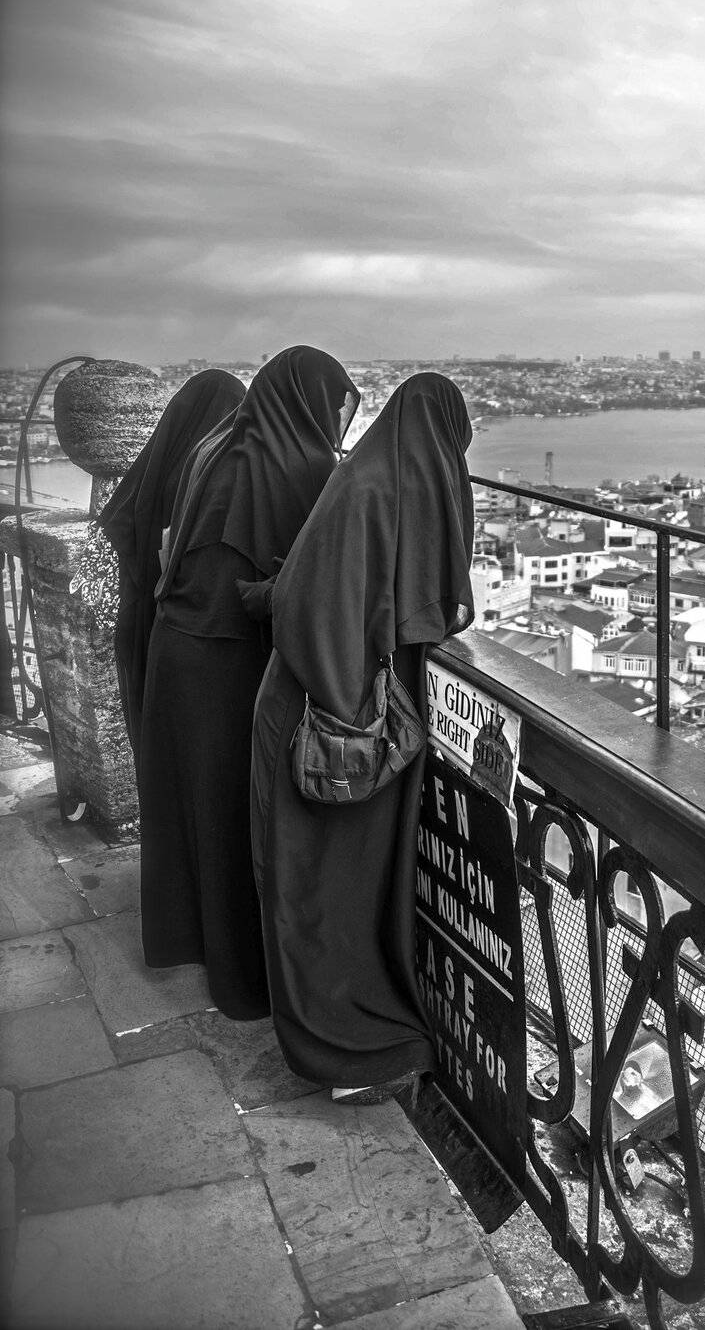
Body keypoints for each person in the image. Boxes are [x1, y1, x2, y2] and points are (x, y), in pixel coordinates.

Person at [251, 372, 474, 1099]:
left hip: (344, 709)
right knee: (319, 893)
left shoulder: (375, 482)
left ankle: (353, 1036)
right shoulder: (376, 495)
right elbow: (314, 605)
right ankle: (341, 1050)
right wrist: (350, 712)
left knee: (331, 890)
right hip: (334, 718)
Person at [138, 346, 359, 1021]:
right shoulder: (305, 467)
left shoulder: (215, 451)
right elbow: (310, 581)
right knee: (237, 814)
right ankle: (242, 976)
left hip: (175, 650)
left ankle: (190, 940)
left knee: (190, 809)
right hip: (229, 665)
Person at [97, 368, 245, 759]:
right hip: (184, 625)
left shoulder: (159, 465)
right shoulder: (210, 471)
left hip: (143, 619)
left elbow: (123, 522)